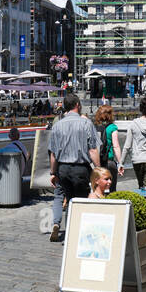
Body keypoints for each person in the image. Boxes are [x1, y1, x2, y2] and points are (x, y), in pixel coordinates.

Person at [47, 93, 101, 243]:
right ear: (77, 105)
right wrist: (99, 169)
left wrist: (53, 172)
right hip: (80, 169)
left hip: (63, 168)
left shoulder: (57, 125)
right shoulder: (85, 123)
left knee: (69, 199)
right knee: (81, 201)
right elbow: (93, 150)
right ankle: (77, 233)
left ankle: (68, 229)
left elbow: (53, 154)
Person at [93, 104, 123, 193]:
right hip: (109, 162)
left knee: (98, 190)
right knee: (112, 190)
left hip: (97, 163)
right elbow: (116, 146)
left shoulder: (94, 127)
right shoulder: (112, 128)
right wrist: (120, 163)